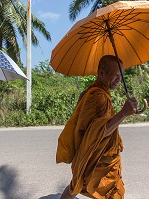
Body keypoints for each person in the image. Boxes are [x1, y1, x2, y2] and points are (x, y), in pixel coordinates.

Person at [57, 55, 138, 199]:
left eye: (122, 76)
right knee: (112, 192)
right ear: (102, 73)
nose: (120, 80)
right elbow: (101, 131)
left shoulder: (91, 92)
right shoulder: (98, 96)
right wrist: (124, 113)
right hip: (99, 157)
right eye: (116, 75)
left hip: (92, 152)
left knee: (77, 184)